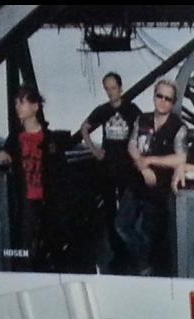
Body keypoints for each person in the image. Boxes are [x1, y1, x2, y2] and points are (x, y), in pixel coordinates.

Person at [80, 72, 143, 273]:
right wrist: (94, 150)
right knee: (109, 211)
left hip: (128, 169)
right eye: (107, 89)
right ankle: (118, 253)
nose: (110, 92)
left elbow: (144, 131)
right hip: (107, 168)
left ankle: (131, 252)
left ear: (121, 88)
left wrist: (140, 158)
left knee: (128, 212)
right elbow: (84, 128)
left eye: (113, 88)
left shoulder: (132, 110)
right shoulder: (103, 110)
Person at [126, 78, 188, 276]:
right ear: (154, 96)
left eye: (168, 99)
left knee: (150, 232)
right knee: (122, 225)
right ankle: (144, 263)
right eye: (159, 96)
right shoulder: (141, 119)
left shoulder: (179, 127)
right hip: (136, 183)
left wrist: (150, 160)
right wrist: (142, 166)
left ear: (173, 102)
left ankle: (148, 269)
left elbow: (181, 158)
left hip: (158, 191)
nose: (162, 101)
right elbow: (132, 145)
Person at [0, 87, 59, 272]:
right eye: (16, 103)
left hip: (47, 199)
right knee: (25, 242)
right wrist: (3, 154)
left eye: (22, 102)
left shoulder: (49, 137)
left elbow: (58, 170)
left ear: (35, 107)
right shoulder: (16, 136)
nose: (17, 107)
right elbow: (4, 151)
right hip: (25, 199)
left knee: (47, 240)